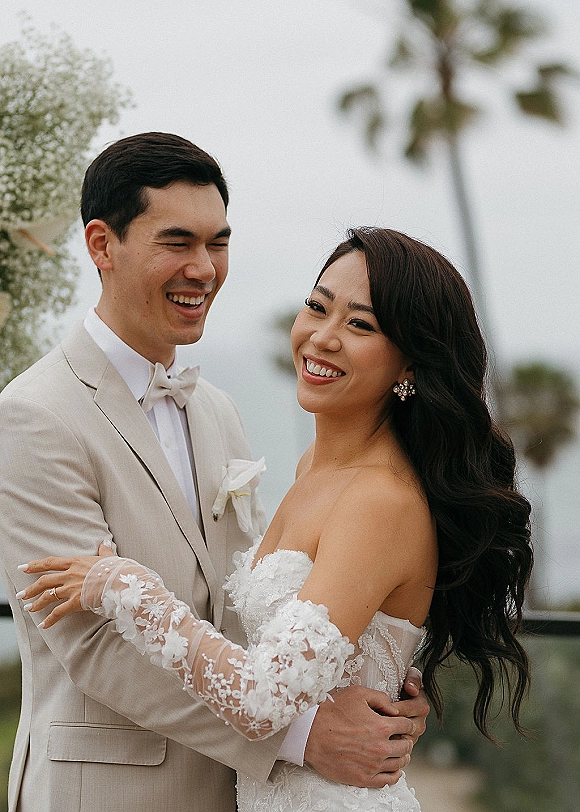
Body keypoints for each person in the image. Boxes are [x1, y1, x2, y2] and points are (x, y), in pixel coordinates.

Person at [18, 227, 533, 811]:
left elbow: (265, 698)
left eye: (360, 325)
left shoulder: (380, 502)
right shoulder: (312, 465)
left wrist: (124, 586)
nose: (323, 337)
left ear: (409, 363)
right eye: (317, 307)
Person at [0, 134, 428, 812]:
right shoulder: (32, 416)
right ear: (102, 245)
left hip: (236, 792)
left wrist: (379, 693)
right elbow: (96, 650)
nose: (203, 268)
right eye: (177, 242)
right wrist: (305, 736)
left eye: (217, 243)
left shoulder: (217, 410)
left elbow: (245, 611)